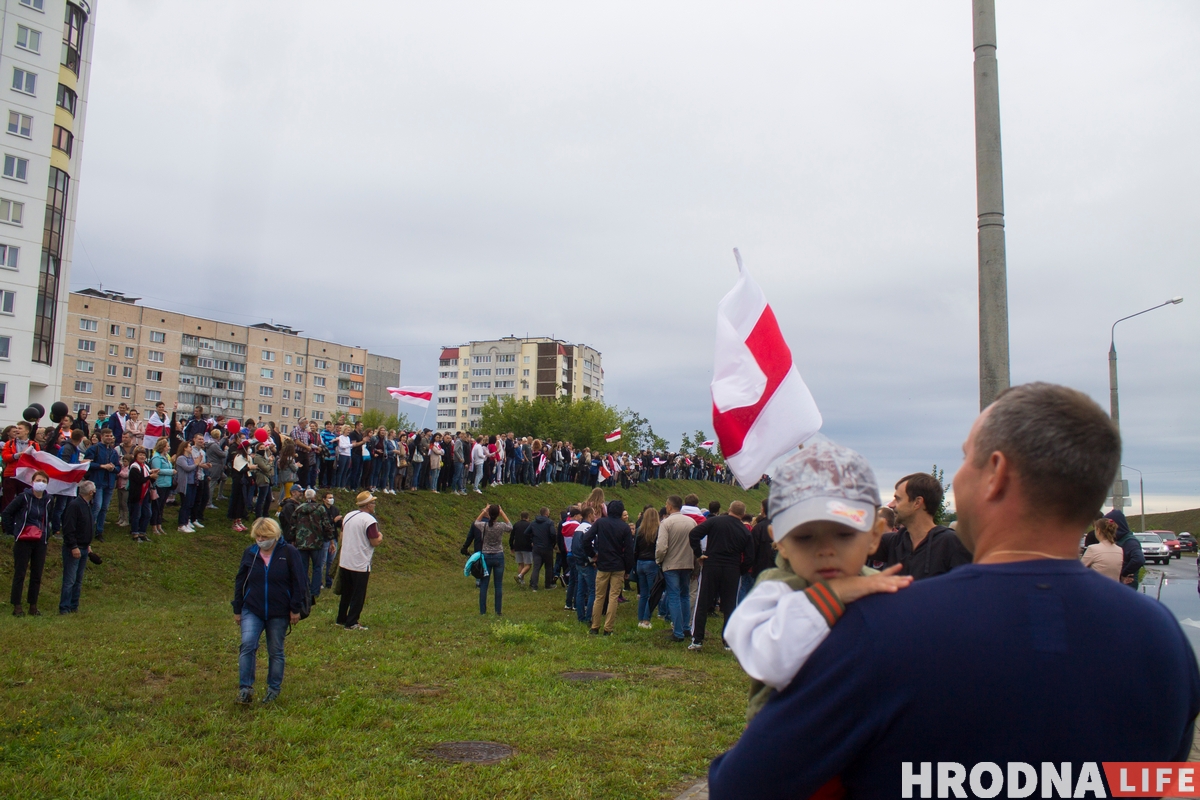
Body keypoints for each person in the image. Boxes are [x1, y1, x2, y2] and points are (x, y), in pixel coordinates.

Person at [708, 382, 1200, 798]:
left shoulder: (880, 627)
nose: (956, 479)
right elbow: (1161, 782)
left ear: (997, 475)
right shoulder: (1165, 640)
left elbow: (743, 787)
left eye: (965, 459)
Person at [724, 440, 911, 727]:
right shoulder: (777, 588)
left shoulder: (879, 585)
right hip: (791, 737)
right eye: (805, 537)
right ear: (780, 542)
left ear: (875, 535)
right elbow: (767, 660)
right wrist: (831, 595)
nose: (825, 550)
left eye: (844, 534)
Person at [232, 517, 306, 704]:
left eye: (264, 536)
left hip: (279, 611)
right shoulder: (250, 553)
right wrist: (237, 608)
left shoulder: (289, 552)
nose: (260, 539)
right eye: (257, 536)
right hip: (252, 608)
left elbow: (299, 581)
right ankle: (245, 689)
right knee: (247, 645)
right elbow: (240, 581)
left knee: (276, 650)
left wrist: (295, 608)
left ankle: (273, 689)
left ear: (275, 535)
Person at [872, 472, 972, 579]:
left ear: (917, 502)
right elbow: (854, 545)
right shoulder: (893, 542)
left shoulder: (952, 543)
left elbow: (965, 589)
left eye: (898, 499)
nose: (891, 505)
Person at [687, 500, 752, 651]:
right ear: (743, 515)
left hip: (712, 564)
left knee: (702, 603)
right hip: (732, 569)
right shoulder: (744, 531)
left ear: (729, 509)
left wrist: (699, 554)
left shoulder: (715, 521)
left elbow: (694, 534)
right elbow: (749, 556)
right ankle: (728, 641)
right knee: (730, 605)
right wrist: (741, 569)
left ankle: (697, 640)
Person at [3, 469, 52, 616]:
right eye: (38, 480)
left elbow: (49, 517)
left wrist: (47, 533)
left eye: (44, 481)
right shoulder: (24, 497)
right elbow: (6, 513)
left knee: (37, 574)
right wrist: (14, 530)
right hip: (24, 539)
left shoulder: (49, 499)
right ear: (32, 482)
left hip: (40, 539)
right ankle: (17, 605)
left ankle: (33, 605)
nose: (41, 483)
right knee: (20, 572)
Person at [586, 500, 635, 635]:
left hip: (602, 564)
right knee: (613, 597)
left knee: (599, 596)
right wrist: (628, 569)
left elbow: (586, 539)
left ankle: (595, 626)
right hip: (618, 566)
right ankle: (608, 628)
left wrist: (593, 555)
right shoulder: (624, 527)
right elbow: (629, 551)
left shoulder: (600, 523)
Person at [337, 491, 383, 630]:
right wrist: (380, 536)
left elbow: (341, 536)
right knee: (358, 594)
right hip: (360, 562)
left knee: (346, 592)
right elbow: (374, 541)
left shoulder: (349, 515)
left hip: (345, 560)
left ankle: (341, 618)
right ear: (368, 505)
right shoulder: (369, 520)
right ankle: (352, 622)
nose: (374, 505)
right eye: (373, 503)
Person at [656, 495, 697, 642]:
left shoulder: (666, 523)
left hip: (671, 564)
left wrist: (659, 560)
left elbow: (661, 547)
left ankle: (678, 631)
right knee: (685, 595)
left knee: (673, 596)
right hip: (687, 562)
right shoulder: (691, 522)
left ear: (669, 506)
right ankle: (686, 627)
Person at [59, 480, 97, 614]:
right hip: (74, 548)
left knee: (78, 580)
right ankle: (64, 607)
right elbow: (69, 528)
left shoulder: (87, 505)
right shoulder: (75, 506)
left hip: (84, 547)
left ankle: (73, 605)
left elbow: (86, 527)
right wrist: (73, 546)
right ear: (91, 492)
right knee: (70, 580)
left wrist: (88, 545)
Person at [292, 489, 334, 602]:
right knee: (317, 567)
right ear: (315, 496)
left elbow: (293, 525)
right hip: (316, 542)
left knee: (303, 568)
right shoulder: (320, 509)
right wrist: (330, 538)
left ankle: (304, 589)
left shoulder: (298, 508)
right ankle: (315, 591)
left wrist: (292, 539)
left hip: (301, 543)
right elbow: (326, 524)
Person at [471, 504, 512, 615]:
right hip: (498, 554)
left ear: (489, 514)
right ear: (498, 514)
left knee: (484, 585)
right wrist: (502, 512)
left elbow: (476, 522)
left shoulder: (484, 526)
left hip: (486, 556)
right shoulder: (501, 526)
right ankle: (498, 611)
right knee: (498, 585)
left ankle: (482, 611)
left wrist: (484, 510)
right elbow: (510, 526)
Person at [84, 428, 120, 542]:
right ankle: (88, 530)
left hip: (109, 482)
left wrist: (113, 468)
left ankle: (99, 531)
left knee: (104, 508)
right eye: (107, 436)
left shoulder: (113, 451)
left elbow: (118, 467)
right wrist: (102, 466)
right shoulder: (94, 449)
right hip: (97, 481)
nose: (109, 438)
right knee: (97, 507)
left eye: (111, 436)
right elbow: (86, 464)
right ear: (102, 437)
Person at [1104, 508, 1146, 589]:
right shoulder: (1119, 540)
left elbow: (1139, 559)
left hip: (1127, 586)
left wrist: (1123, 574)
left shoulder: (1130, 542)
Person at [634, 507, 661, 629]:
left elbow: (635, 549)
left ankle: (640, 618)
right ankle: (646, 619)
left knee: (643, 593)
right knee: (652, 593)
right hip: (652, 562)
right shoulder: (658, 530)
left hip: (640, 562)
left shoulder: (640, 530)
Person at [570, 506, 597, 624]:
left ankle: (580, 616)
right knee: (592, 591)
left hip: (578, 562)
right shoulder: (588, 528)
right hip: (587, 563)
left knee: (580, 591)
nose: (595, 516)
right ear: (590, 514)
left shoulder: (578, 528)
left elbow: (575, 546)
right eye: (594, 514)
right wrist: (592, 559)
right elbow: (589, 545)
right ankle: (589, 617)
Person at [127, 449, 157, 542]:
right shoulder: (134, 467)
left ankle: (142, 532)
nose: (142, 457)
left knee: (148, 514)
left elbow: (149, 481)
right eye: (140, 455)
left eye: (144, 455)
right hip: (137, 495)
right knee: (137, 514)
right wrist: (150, 477)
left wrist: (153, 477)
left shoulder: (146, 467)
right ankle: (135, 533)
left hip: (146, 494)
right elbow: (139, 480)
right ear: (136, 456)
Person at [148, 439, 174, 536]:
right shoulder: (156, 458)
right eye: (167, 446)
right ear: (163, 447)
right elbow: (157, 470)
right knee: (156, 506)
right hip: (159, 484)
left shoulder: (166, 457)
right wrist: (171, 472)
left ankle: (159, 524)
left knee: (161, 506)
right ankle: (154, 525)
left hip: (167, 484)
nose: (169, 447)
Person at [528, 507, 556, 591]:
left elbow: (526, 532)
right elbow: (553, 534)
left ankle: (534, 586)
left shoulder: (533, 522)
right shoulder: (549, 522)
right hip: (547, 547)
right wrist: (553, 543)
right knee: (548, 567)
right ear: (547, 513)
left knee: (536, 567)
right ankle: (547, 585)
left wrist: (532, 540)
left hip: (536, 548)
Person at [509, 511, 533, 586]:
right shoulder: (530, 525)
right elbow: (532, 536)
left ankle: (521, 581)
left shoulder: (516, 524)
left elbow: (511, 537)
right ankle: (520, 576)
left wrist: (512, 547)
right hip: (527, 547)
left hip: (517, 546)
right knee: (528, 564)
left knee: (520, 564)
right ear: (527, 517)